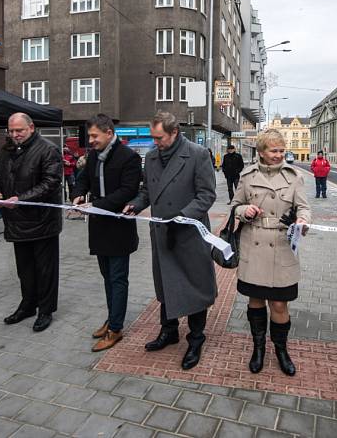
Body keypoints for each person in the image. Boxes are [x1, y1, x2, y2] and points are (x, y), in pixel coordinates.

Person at [123, 112, 217, 370]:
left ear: (174, 132)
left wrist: (182, 216)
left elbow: (207, 195)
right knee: (166, 284)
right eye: (153, 138)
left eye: (159, 138)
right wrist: (135, 204)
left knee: (194, 285)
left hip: (188, 232)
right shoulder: (152, 157)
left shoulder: (197, 154)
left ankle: (196, 338)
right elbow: (147, 191)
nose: (155, 143)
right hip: (162, 232)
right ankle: (169, 330)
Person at [229, 129, 311, 376]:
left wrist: (303, 222)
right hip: (253, 245)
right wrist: (245, 211)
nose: (278, 155)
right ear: (261, 152)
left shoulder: (294, 176)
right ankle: (258, 349)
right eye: (273, 150)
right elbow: (234, 206)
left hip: (282, 245)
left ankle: (281, 350)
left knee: (278, 303)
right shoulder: (247, 175)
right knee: (255, 301)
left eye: (281, 150)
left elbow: (304, 208)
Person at [72, 114, 142, 352]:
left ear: (109, 133)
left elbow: (128, 190)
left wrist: (96, 206)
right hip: (99, 227)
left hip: (119, 227)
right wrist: (79, 194)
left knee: (118, 278)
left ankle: (116, 328)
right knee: (106, 276)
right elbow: (83, 181)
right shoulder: (93, 157)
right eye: (89, 136)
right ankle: (112, 318)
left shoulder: (129, 157)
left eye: (94, 136)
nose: (90, 140)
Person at [0, 113, 62, 333]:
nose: (14, 135)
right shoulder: (6, 150)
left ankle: (46, 310)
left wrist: (21, 199)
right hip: (16, 220)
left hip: (42, 222)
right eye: (11, 131)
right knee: (24, 269)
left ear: (31, 128)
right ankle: (28, 305)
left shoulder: (48, 149)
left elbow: (50, 183)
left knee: (45, 269)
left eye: (19, 131)